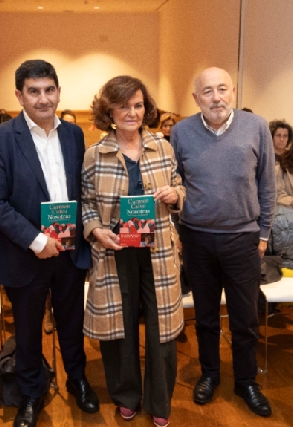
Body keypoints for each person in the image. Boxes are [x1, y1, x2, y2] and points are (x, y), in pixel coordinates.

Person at [0, 59, 98, 427]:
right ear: (19, 95)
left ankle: (76, 379)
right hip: (24, 253)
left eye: (49, 90)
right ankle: (31, 393)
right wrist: (34, 239)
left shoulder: (74, 135)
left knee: (71, 321)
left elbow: (79, 192)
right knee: (28, 330)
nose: (43, 99)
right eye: (34, 91)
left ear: (58, 92)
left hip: (68, 250)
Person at [171, 67, 275, 417]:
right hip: (197, 238)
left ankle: (246, 381)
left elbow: (267, 186)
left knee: (245, 318)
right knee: (204, 316)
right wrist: (178, 232)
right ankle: (210, 374)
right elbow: (175, 183)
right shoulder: (181, 132)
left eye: (222, 89)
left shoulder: (257, 126)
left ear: (233, 92)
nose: (216, 97)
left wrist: (263, 234)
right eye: (207, 91)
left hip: (243, 239)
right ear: (196, 97)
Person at [81, 75, 185, 427]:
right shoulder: (95, 155)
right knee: (119, 327)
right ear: (108, 110)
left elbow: (178, 186)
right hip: (115, 251)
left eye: (138, 105)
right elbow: (87, 203)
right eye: (123, 105)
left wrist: (175, 196)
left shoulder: (163, 146)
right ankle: (127, 395)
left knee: (163, 328)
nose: (132, 112)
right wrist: (95, 229)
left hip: (158, 251)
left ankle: (160, 401)